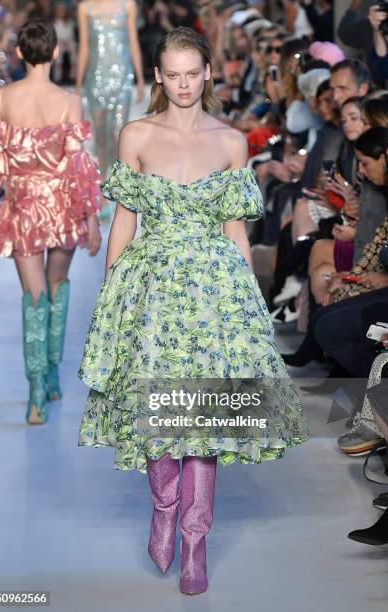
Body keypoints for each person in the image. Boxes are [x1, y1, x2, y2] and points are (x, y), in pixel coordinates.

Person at [77, 26, 309, 596]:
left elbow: (236, 230)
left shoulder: (231, 142)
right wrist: (110, 293)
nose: (183, 84)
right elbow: (125, 220)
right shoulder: (135, 135)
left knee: (203, 416)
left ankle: (195, 539)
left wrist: (247, 303)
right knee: (159, 403)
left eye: (192, 72)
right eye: (172, 74)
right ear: (158, 76)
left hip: (213, 288)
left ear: (207, 72)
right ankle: (163, 507)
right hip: (151, 286)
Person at [0, 18, 102, 424]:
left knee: (33, 297)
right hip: (62, 205)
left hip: (21, 206)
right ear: (54, 53)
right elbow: (78, 166)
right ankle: (50, 376)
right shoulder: (69, 101)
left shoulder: (3, 99)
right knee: (56, 287)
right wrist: (91, 218)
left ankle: (36, 393)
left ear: (19, 52)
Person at [76, 0, 145, 221]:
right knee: (101, 137)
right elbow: (84, 46)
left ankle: (112, 187)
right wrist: (78, 84)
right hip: (95, 80)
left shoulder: (128, 6)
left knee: (117, 135)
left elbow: (133, 41)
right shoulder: (85, 8)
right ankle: (102, 194)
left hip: (122, 79)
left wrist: (140, 79)